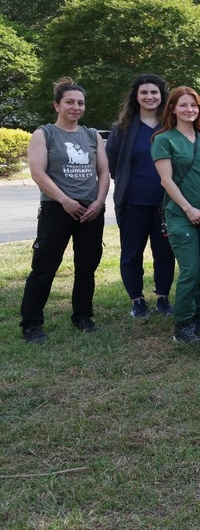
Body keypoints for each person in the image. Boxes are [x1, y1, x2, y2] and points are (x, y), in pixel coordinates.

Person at [19, 78, 110, 343]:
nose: (76, 107)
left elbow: (104, 172)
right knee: (45, 266)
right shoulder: (44, 133)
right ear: (57, 105)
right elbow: (38, 172)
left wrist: (99, 202)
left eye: (80, 103)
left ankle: (82, 316)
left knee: (87, 265)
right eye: (69, 102)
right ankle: (32, 324)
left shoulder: (92, 135)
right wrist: (64, 200)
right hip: (57, 209)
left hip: (90, 210)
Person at [152, 86, 200, 345]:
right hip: (181, 214)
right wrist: (188, 208)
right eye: (183, 105)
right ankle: (182, 325)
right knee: (190, 269)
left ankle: (195, 317)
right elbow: (166, 181)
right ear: (172, 108)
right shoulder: (164, 139)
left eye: (194, 105)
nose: (189, 110)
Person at [106, 74, 174, 319]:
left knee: (165, 253)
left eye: (154, 92)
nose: (149, 97)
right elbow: (112, 164)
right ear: (136, 96)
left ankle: (163, 298)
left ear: (162, 96)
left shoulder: (171, 126)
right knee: (132, 253)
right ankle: (137, 300)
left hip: (166, 204)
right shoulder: (122, 128)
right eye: (144, 92)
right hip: (133, 203)